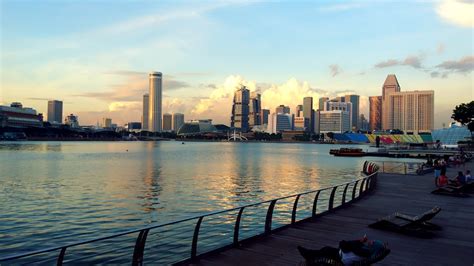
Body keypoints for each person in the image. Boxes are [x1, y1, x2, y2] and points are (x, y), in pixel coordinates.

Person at [297, 235, 387, 265]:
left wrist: (359, 241)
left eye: (372, 243)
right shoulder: (366, 252)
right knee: (325, 249)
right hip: (341, 255)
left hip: (339, 259)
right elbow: (349, 246)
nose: (370, 242)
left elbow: (343, 244)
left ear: (374, 247)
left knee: (326, 250)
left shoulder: (363, 252)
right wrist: (359, 242)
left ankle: (308, 255)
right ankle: (308, 254)